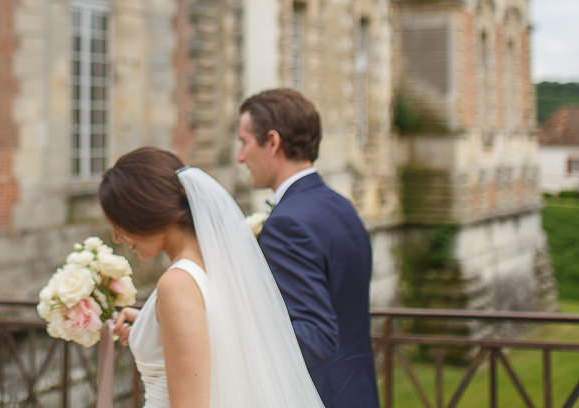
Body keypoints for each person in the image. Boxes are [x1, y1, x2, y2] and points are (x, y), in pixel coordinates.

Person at [100, 147, 325, 408]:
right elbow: (218, 335)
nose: (117, 237)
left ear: (143, 212)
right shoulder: (216, 267)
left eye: (118, 223)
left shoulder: (177, 284)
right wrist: (148, 325)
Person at [236, 88, 380, 408]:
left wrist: (232, 334)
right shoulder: (341, 206)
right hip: (357, 392)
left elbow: (315, 336)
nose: (240, 157)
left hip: (317, 395)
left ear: (272, 142)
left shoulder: (287, 225)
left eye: (244, 142)